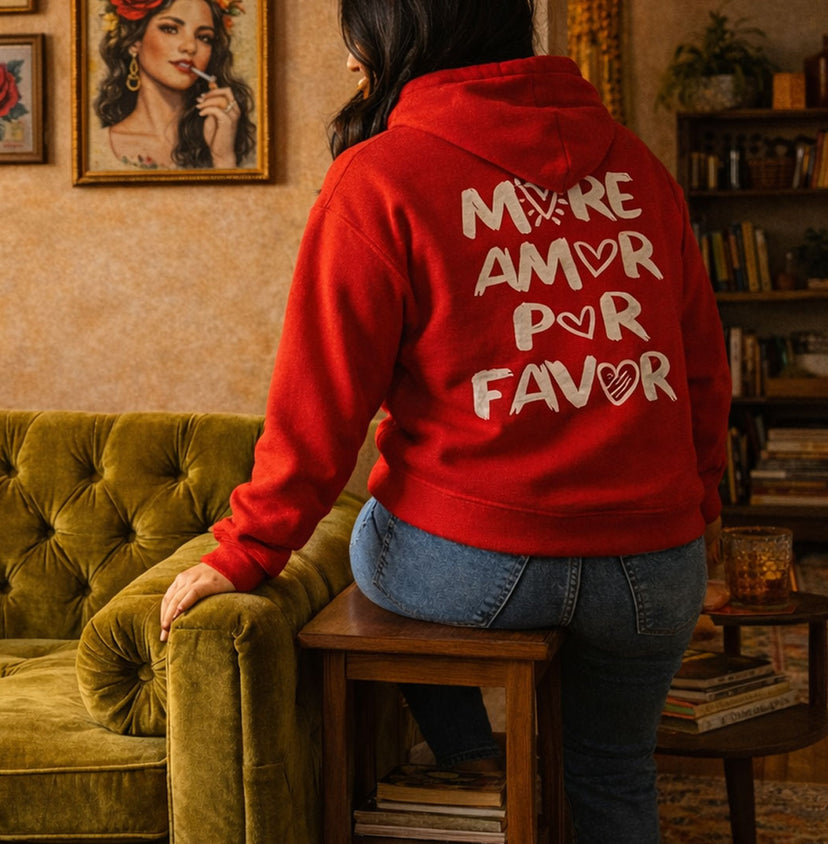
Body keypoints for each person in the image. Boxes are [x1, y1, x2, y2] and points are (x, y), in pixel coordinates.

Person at [157, 1, 731, 840]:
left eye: (359, 37)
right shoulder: (638, 165)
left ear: (408, 34)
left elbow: (320, 404)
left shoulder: (378, 177)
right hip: (654, 563)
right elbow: (702, 371)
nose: (351, 61)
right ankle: (514, 777)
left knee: (370, 535)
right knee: (614, 773)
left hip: (478, 571)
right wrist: (698, 508)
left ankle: (473, 764)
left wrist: (247, 550)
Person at [93, 0, 255, 170]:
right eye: (170, 29)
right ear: (135, 42)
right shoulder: (99, 147)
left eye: (203, 37)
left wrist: (223, 158)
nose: (190, 47)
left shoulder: (233, 141)